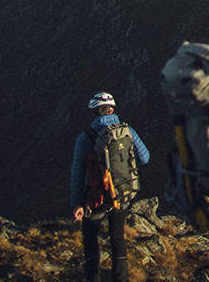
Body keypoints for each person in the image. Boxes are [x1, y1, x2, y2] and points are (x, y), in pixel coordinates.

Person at [70, 92, 150, 282]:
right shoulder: (127, 131)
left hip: (96, 196)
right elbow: (145, 157)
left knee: (90, 235)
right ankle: (120, 278)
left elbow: (77, 174)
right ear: (112, 110)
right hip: (121, 193)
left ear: (94, 113)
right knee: (117, 237)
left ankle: (93, 277)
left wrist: (76, 204)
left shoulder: (85, 138)